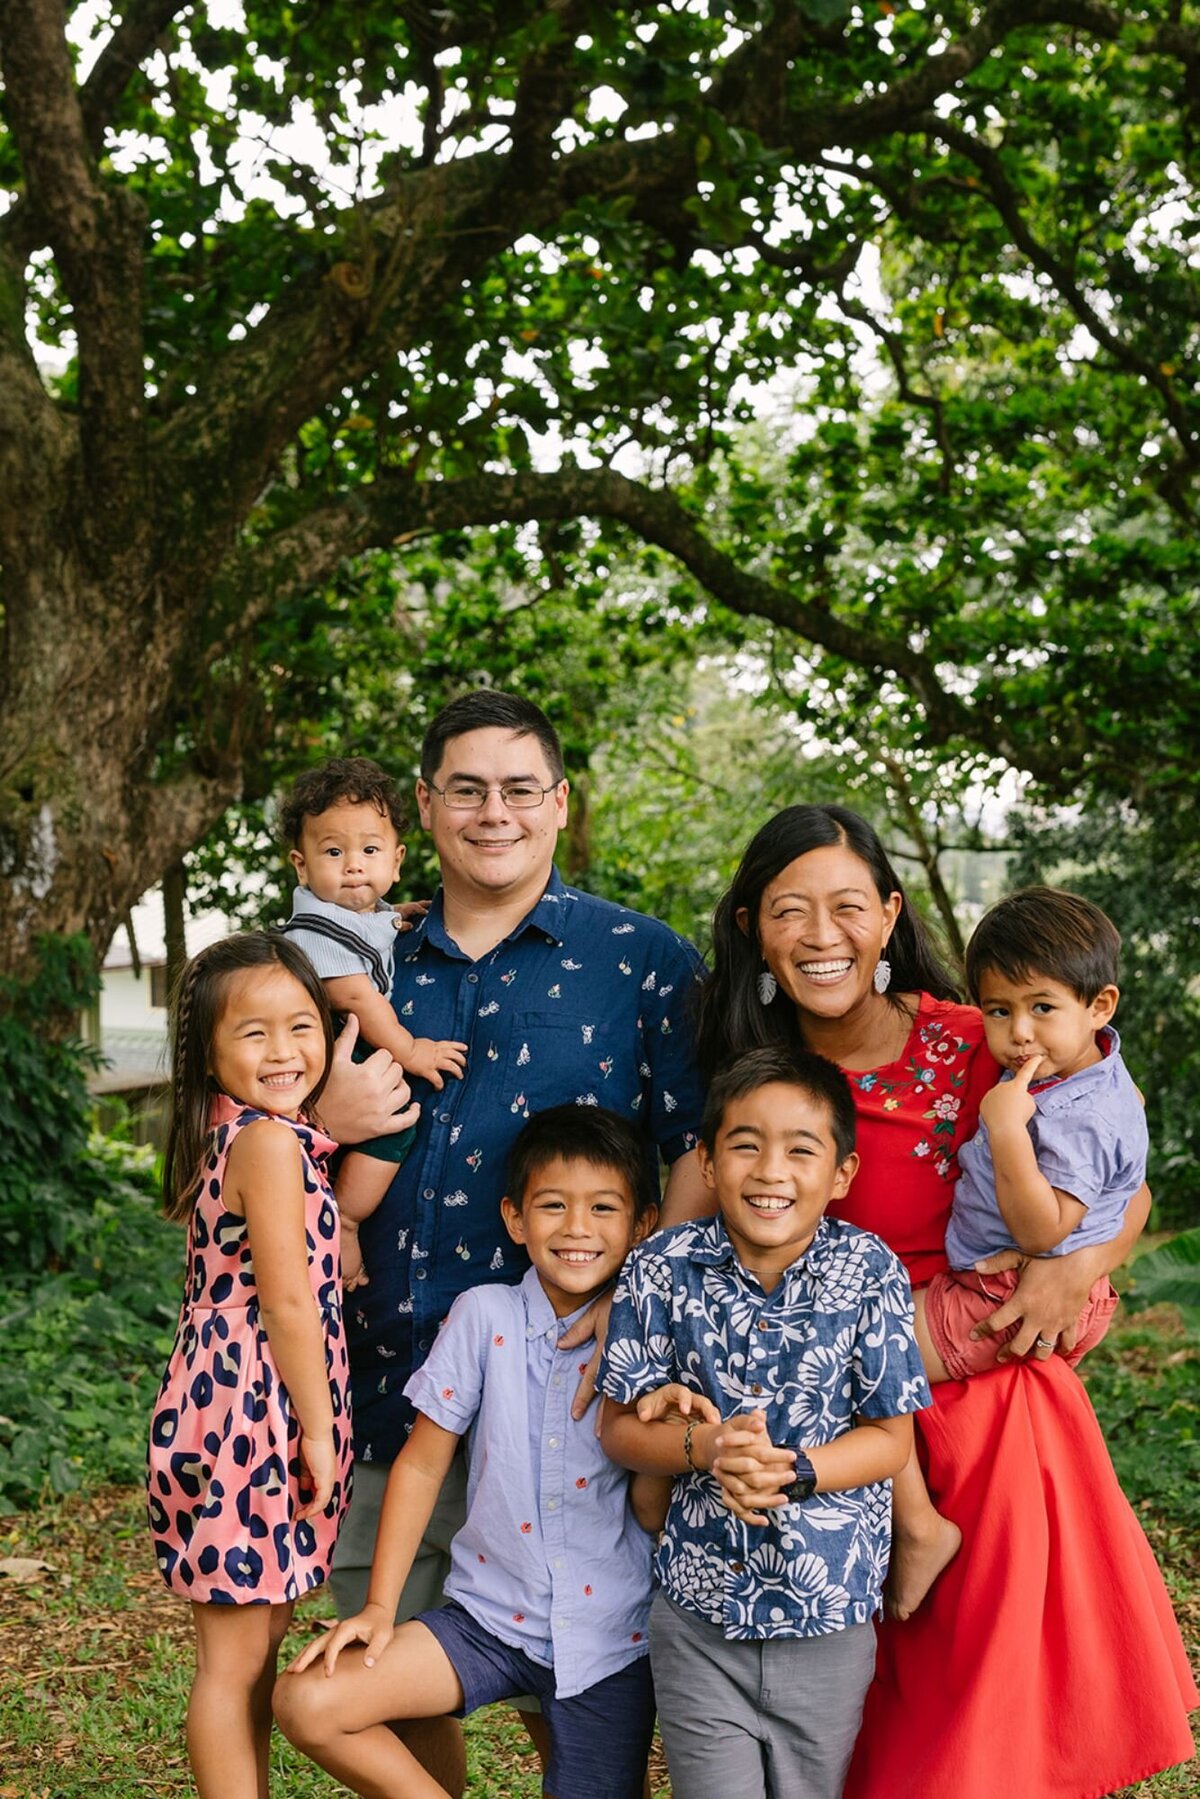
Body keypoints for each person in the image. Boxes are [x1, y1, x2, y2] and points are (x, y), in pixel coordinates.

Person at [694, 804, 1197, 1799]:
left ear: (889, 917)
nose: (822, 934)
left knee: (978, 1739)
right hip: (839, 1433)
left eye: (846, 905)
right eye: (791, 909)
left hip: (994, 1417)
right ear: (755, 927)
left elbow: (1123, 1179)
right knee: (861, 1735)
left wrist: (1078, 1268)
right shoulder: (757, 1084)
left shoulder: (991, 1038)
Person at [322, 690, 708, 1792]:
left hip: (577, 1393)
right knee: (384, 1649)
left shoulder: (643, 958)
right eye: (469, 788)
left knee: (568, 1685)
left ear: (559, 803)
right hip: (386, 1373)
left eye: (521, 787)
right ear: (427, 807)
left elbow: (689, 1143)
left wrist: (634, 1317)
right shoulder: (362, 959)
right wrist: (325, 1131)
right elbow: (263, 1103)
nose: (496, 811)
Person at [274, 1105, 660, 1799]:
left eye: (603, 1207)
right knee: (308, 1699)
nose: (576, 1227)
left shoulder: (653, 1332)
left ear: (643, 1225)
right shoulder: (485, 1315)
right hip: (484, 1620)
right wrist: (380, 1609)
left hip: (610, 1640)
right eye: (553, 1205)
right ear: (515, 1218)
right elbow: (422, 1462)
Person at [601, 1047, 931, 1799]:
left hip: (830, 1616)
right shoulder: (661, 1267)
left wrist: (793, 1468)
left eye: (800, 1148)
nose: (770, 1169)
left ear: (842, 1173)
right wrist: (706, 1446)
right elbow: (618, 1427)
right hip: (698, 1615)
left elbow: (890, 1440)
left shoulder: (870, 1269)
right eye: (745, 1143)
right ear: (709, 1163)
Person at [146, 932, 353, 1799]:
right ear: (209, 1050)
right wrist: (316, 1430)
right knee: (233, 1662)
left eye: (301, 1025)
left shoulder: (242, 1134)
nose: (284, 1051)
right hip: (249, 1412)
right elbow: (288, 1302)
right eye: (254, 1033)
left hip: (230, 1403)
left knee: (256, 1645)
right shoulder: (265, 1144)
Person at [278, 757, 467, 1292]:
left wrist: (393, 914)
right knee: (395, 1123)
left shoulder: (357, 917)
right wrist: (411, 1051)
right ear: (302, 864)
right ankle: (347, 1220)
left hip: (333, 1053)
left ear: (397, 860)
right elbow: (357, 996)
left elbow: (367, 929)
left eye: (370, 851)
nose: (354, 866)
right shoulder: (313, 930)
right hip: (333, 1048)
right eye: (334, 852)